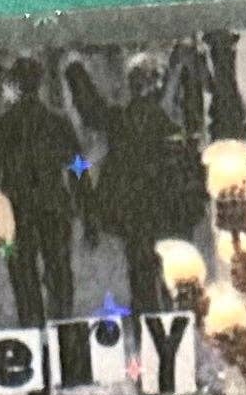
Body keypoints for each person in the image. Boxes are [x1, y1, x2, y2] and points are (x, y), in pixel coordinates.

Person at [66, 54, 202, 318]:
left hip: (137, 212)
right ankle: (170, 320)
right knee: (168, 275)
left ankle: (154, 322)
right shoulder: (170, 123)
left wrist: (75, 69)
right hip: (164, 212)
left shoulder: (124, 119)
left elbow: (91, 110)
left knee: (144, 277)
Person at [0, 56, 82, 327]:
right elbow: (77, 168)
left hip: (18, 209)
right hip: (52, 207)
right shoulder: (56, 122)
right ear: (39, 83)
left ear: (14, 84)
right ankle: (62, 327)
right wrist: (85, 206)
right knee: (58, 273)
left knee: (23, 276)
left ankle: (33, 329)